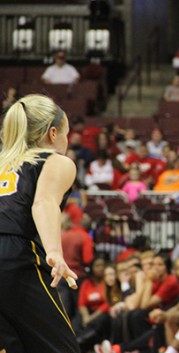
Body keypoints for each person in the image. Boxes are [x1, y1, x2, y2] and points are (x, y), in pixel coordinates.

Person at [0, 94, 80, 352]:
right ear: (53, 134)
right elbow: (43, 203)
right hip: (15, 255)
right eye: (67, 134)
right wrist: (55, 253)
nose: (67, 141)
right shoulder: (55, 161)